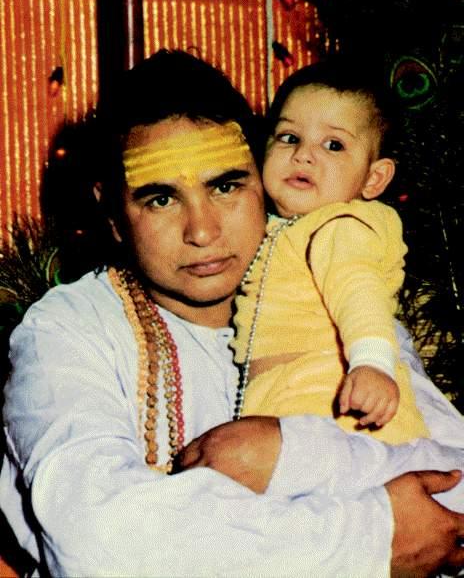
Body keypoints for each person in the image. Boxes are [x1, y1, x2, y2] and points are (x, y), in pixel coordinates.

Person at [1, 49, 464, 578]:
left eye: (226, 186)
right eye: (160, 199)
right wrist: (372, 534)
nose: (202, 231)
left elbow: (453, 489)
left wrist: (292, 454)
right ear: (112, 213)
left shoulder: (328, 302)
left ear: (264, 178)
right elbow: (101, 547)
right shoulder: (68, 330)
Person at [232, 57, 431, 444]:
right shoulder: (285, 228)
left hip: (338, 406)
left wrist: (372, 362)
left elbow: (357, 289)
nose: (303, 154)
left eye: (333, 145)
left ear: (374, 178)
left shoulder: (341, 225)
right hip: (298, 402)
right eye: (289, 137)